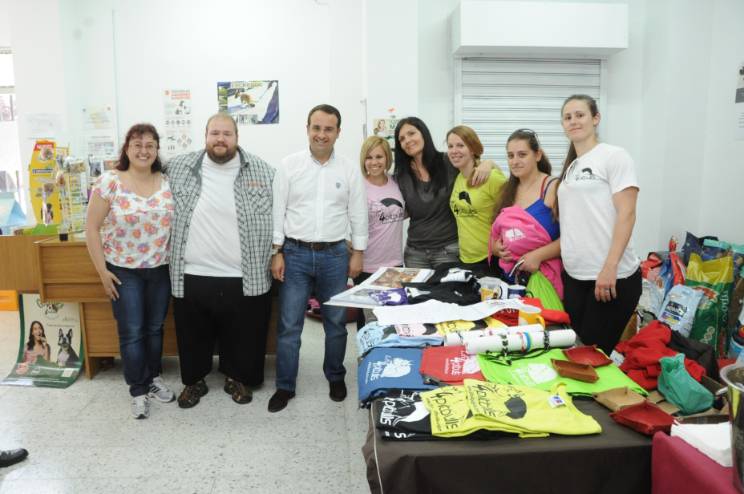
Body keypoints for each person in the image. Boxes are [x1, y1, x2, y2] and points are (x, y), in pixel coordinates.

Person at [166, 113, 274, 409]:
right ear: (205, 136)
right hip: (192, 271)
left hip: (244, 273)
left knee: (244, 333)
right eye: (215, 133)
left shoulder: (264, 171)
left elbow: (281, 215)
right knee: (192, 334)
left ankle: (236, 377)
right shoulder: (177, 167)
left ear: (237, 137)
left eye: (227, 134)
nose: (220, 139)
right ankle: (194, 381)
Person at [270, 104, 367, 412]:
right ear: (307, 129)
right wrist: (276, 252)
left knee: (336, 323)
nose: (321, 134)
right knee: (289, 326)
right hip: (295, 254)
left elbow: (358, 212)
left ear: (338, 132)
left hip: (335, 256)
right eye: (316, 128)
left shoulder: (348, 169)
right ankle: (285, 385)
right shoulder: (289, 165)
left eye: (328, 129)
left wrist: (358, 253)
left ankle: (335, 376)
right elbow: (277, 210)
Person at [86, 123, 175, 420]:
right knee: (132, 331)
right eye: (137, 145)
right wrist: (102, 271)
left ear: (157, 150)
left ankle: (153, 378)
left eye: (150, 145)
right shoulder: (109, 181)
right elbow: (91, 228)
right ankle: (138, 389)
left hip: (160, 269)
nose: (143, 150)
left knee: (154, 328)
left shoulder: (167, 181)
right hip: (124, 271)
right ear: (127, 148)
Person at [557, 94, 641, 354]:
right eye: (567, 117)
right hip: (575, 277)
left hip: (610, 277)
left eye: (580, 115)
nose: (573, 121)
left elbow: (627, 213)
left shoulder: (613, 156)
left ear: (596, 118)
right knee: (576, 351)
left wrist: (609, 267)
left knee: (590, 357)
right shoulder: (572, 167)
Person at [393, 117, 492, 269]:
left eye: (411, 133)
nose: (407, 140)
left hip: (448, 250)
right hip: (415, 254)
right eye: (402, 139)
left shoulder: (448, 161)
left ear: (423, 133)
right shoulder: (401, 175)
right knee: (418, 287)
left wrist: (488, 163)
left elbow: (474, 163)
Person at [490, 129, 563, 296]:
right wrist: (496, 248)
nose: (515, 161)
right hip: (510, 281)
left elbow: (572, 238)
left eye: (522, 155)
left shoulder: (553, 187)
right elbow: (495, 234)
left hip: (544, 281)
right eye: (510, 156)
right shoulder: (507, 190)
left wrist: (538, 256)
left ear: (537, 155)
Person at [355, 136, 405, 328]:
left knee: (393, 321)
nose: (374, 162)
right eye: (369, 157)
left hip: (394, 264)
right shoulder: (358, 186)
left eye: (379, 157)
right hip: (367, 266)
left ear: (387, 158)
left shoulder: (396, 182)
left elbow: (404, 210)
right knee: (369, 323)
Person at [446, 125, 506, 274]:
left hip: (490, 258)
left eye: (460, 145)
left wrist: (490, 163)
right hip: (465, 258)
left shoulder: (491, 177)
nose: (454, 151)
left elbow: (514, 211)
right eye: (450, 146)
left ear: (472, 149)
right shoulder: (459, 178)